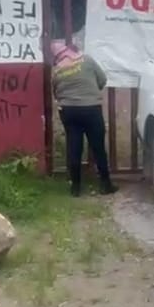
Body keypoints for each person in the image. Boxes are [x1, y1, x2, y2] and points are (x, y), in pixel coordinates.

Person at [51, 40, 118, 197]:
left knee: (74, 147)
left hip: (69, 111)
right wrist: (90, 92)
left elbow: (56, 93)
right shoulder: (87, 60)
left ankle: (75, 188)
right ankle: (105, 184)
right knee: (98, 147)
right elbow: (102, 80)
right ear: (70, 50)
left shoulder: (57, 71)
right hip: (91, 109)